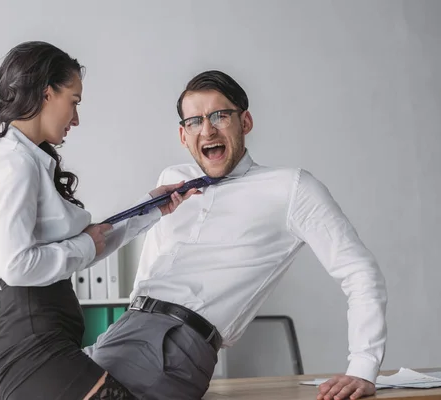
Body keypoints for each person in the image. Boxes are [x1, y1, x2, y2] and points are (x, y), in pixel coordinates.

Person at [84, 70, 388, 400]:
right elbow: (150, 265)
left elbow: (359, 272)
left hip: (175, 344)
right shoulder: (172, 181)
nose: (208, 129)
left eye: (219, 116)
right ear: (183, 136)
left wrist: (363, 366)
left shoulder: (291, 189)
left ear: (245, 122)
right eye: (195, 121)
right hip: (123, 329)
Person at [0, 41, 197, 400]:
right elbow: (17, 266)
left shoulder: (29, 161)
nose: (76, 118)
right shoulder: (12, 162)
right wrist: (86, 243)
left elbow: (93, 241)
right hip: (30, 351)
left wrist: (152, 207)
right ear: (47, 93)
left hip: (45, 344)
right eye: (73, 101)